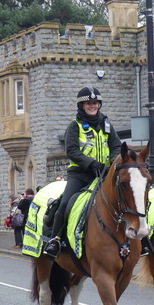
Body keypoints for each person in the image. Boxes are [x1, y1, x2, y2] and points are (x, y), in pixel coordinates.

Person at [44, 86, 122, 258]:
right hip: (81, 174)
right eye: (88, 103)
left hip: (104, 174)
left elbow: (116, 146)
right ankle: (55, 239)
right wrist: (93, 164)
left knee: (125, 200)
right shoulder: (74, 126)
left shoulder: (107, 124)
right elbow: (72, 151)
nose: (92, 106)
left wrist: (111, 162)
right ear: (82, 105)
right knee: (65, 203)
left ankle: (136, 241)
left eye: (95, 103)